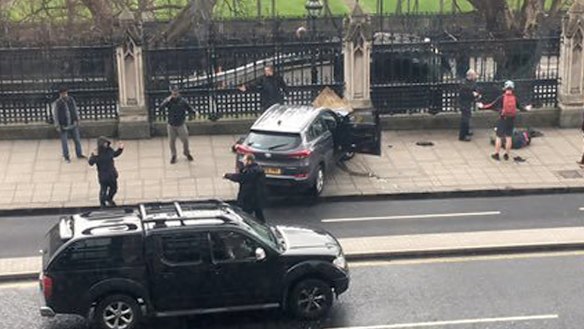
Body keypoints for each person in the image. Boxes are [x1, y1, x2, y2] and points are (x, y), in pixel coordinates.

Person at [479, 80, 531, 161]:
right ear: (513, 88)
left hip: (503, 118)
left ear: (505, 88)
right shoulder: (514, 98)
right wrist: (527, 109)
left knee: (499, 137)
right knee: (509, 137)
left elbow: (492, 105)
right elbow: (521, 108)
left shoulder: (502, 97)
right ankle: (506, 154)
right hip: (511, 119)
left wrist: (482, 106)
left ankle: (496, 154)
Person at [158, 87, 199, 164]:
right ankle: (174, 155)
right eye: (173, 93)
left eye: (176, 93)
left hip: (180, 124)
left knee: (185, 139)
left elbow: (189, 108)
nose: (175, 95)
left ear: (178, 93)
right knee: (171, 141)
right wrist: (166, 101)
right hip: (171, 124)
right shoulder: (169, 101)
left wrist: (194, 112)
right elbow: (160, 108)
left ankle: (186, 152)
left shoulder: (183, 101)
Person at [223, 154, 267, 223]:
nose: (243, 162)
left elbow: (241, 177)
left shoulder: (251, 171)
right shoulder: (256, 169)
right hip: (256, 197)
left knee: (245, 216)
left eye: (244, 160)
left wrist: (228, 175)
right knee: (259, 214)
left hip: (249, 197)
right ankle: (263, 227)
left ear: (249, 161)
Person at [89, 137, 124, 208]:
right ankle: (102, 203)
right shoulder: (97, 153)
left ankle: (109, 199)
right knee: (103, 191)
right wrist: (94, 156)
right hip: (103, 176)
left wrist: (120, 149)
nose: (106, 145)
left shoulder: (109, 150)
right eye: (104, 144)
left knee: (114, 188)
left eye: (106, 143)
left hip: (111, 174)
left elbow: (114, 154)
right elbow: (91, 163)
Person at [52, 87, 85, 162]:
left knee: (77, 140)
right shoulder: (57, 103)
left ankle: (79, 154)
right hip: (63, 125)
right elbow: (55, 115)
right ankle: (66, 156)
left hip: (73, 123)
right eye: (63, 93)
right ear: (60, 94)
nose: (65, 95)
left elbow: (75, 110)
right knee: (64, 142)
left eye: (66, 93)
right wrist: (57, 125)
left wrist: (77, 119)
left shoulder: (71, 100)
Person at [458, 69, 480, 142]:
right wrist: (472, 94)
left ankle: (467, 132)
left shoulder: (471, 82)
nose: (475, 77)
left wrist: (477, 95)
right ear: (470, 76)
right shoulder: (463, 83)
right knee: (465, 119)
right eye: (474, 75)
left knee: (468, 117)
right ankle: (462, 136)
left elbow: (475, 89)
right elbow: (464, 94)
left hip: (468, 103)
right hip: (464, 103)